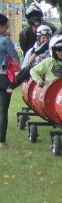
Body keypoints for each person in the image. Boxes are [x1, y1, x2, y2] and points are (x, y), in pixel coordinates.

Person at [0, 14, 21, 148]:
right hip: (3, 78)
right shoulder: (5, 41)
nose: (8, 28)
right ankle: (1, 141)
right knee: (2, 111)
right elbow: (16, 60)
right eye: (6, 26)